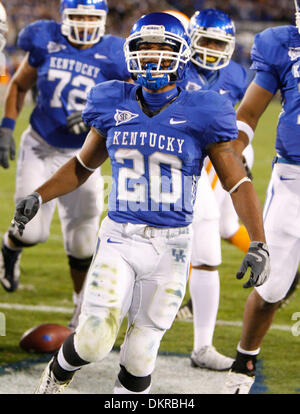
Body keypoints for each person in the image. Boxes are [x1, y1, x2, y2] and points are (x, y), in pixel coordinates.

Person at [12, 11, 270, 395]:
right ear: (130, 53)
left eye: (162, 48)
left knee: (139, 356)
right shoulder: (111, 99)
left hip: (173, 246)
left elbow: (237, 181)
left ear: (181, 55)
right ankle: (57, 376)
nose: (152, 56)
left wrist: (259, 241)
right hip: (120, 236)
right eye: (143, 48)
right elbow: (83, 165)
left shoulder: (204, 109)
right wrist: (39, 194)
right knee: (94, 338)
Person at [0, 0, 130, 329]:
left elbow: (131, 106)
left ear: (102, 20)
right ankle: (10, 247)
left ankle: (80, 306)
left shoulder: (116, 55)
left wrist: (94, 120)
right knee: (31, 231)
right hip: (41, 146)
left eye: (91, 17)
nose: (85, 23)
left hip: (84, 157)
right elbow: (18, 84)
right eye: (77, 17)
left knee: (84, 240)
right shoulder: (46, 40)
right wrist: (6, 129)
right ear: (63, 18)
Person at [222, 0, 300, 394]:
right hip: (294, 179)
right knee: (269, 290)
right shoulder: (282, 45)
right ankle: (244, 360)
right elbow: (250, 112)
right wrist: (233, 149)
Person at [175, 9, 252, 371]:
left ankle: (202, 345)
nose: (210, 49)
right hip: (162, 166)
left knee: (208, 252)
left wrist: (239, 154)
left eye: (218, 43)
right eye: (204, 40)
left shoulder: (236, 75)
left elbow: (237, 125)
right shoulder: (174, 65)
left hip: (201, 171)